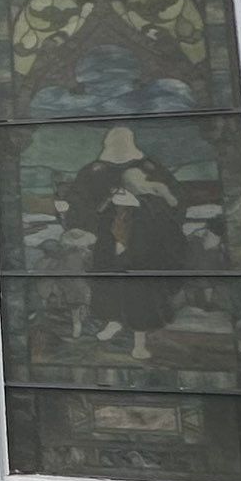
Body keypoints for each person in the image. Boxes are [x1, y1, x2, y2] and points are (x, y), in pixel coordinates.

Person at [54, 125, 185, 362]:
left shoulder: (150, 168)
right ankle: (113, 321)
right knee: (108, 281)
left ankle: (139, 340)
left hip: (144, 242)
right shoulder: (95, 170)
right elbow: (80, 200)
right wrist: (69, 209)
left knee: (140, 288)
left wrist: (138, 203)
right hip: (107, 239)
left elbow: (174, 203)